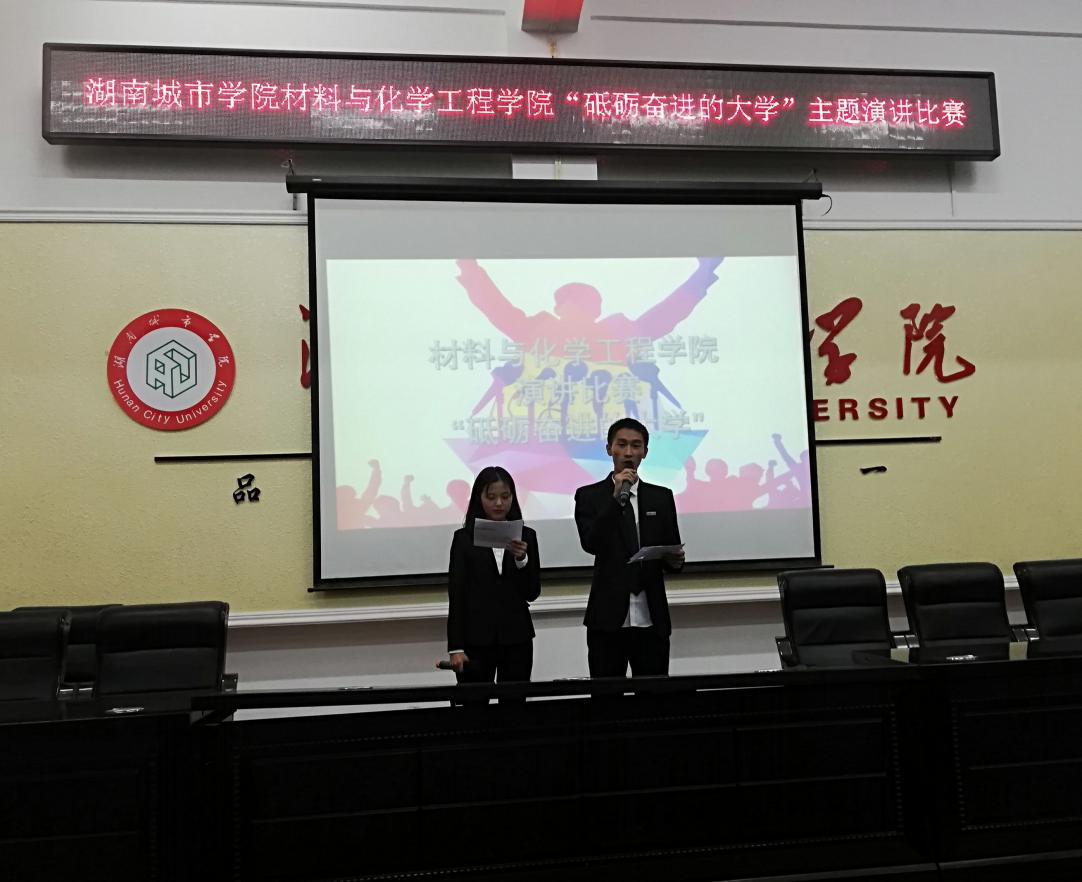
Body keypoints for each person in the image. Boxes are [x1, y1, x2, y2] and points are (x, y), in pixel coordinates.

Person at [574, 418, 685, 678]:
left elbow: (670, 551)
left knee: (654, 694)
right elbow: (591, 543)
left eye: (636, 446)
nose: (628, 452)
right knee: (606, 695)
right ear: (609, 449)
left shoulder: (661, 497)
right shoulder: (589, 496)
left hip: (651, 617)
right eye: (621, 445)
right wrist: (615, 500)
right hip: (608, 619)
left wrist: (676, 561)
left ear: (644, 452)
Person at [446, 466, 541, 696]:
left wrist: (521, 560)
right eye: (491, 497)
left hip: (516, 637)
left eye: (505, 496)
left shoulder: (526, 536)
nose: (499, 503)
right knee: (475, 705)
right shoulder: (464, 539)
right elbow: (457, 594)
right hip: (476, 639)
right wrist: (456, 647)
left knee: (514, 704)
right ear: (479, 498)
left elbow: (532, 592)